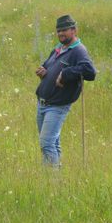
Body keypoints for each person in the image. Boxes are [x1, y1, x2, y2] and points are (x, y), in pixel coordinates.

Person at [35, 14, 96, 166]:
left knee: (46, 143)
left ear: (74, 30)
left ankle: (52, 182)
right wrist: (44, 71)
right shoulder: (58, 48)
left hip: (57, 106)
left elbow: (90, 71)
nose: (61, 33)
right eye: (58, 31)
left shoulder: (78, 50)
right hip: (43, 104)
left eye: (64, 30)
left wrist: (66, 74)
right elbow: (49, 66)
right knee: (52, 144)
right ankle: (57, 178)